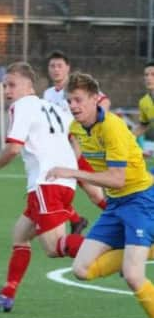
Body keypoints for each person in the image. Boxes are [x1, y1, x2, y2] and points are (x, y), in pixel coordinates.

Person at [46, 72, 154, 318]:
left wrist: (72, 173)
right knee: (81, 269)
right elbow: (77, 163)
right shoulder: (75, 127)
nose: (73, 106)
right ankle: (144, 250)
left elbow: (117, 179)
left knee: (132, 275)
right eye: (70, 100)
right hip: (116, 205)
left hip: (141, 200)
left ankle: (140, 252)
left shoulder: (113, 127)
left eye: (79, 100)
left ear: (96, 99)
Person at [0, 62, 85, 312]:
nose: (7, 91)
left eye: (12, 85)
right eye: (5, 86)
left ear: (29, 85)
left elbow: (14, 148)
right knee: (20, 234)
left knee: (53, 248)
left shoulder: (22, 106)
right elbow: (75, 141)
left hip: (46, 184)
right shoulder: (54, 108)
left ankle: (111, 246)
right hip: (63, 182)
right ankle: (7, 295)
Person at [43, 50, 108, 231]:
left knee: (95, 195)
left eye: (59, 66)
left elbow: (104, 102)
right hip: (59, 151)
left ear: (68, 68)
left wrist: (90, 126)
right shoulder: (48, 94)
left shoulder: (77, 87)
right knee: (51, 187)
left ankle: (124, 219)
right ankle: (76, 220)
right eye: (52, 66)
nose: (56, 70)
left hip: (78, 149)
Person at [132, 61, 154, 164]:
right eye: (146, 75)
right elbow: (143, 125)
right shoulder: (144, 102)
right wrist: (126, 138)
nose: (148, 78)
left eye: (153, 74)